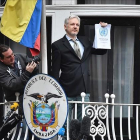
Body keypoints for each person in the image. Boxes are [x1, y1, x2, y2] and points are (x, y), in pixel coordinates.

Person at [50, 15, 107, 121]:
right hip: (66, 91)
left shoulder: (85, 41)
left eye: (77, 25)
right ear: (65, 27)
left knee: (83, 123)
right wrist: (57, 92)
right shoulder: (57, 45)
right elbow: (55, 70)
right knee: (65, 123)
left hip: (84, 90)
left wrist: (102, 31)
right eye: (72, 24)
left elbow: (101, 51)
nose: (75, 27)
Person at [0, 44, 39, 140]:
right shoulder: (1, 69)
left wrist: (33, 65)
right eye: (8, 57)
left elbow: (35, 72)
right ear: (1, 59)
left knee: (35, 130)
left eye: (12, 54)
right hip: (14, 105)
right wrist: (27, 72)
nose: (12, 57)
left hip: (30, 101)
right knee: (19, 134)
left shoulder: (21, 56)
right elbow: (12, 85)